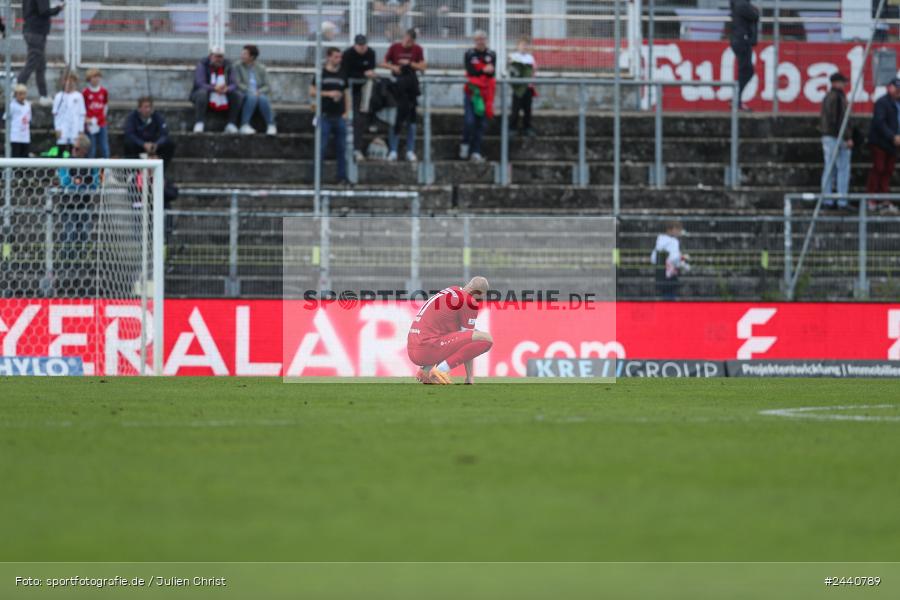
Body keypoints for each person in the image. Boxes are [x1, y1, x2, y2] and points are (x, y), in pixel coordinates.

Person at [407, 277, 493, 385]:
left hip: (413, 348)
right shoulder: (469, 301)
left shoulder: (452, 290)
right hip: (427, 349)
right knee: (486, 339)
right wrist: (469, 378)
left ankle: (425, 370)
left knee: (457, 332)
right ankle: (440, 370)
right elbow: (468, 339)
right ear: (480, 293)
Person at [382, 28, 426, 162]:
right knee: (395, 119)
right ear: (404, 37)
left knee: (411, 121)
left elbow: (423, 67)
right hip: (397, 88)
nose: (408, 44)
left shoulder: (417, 49)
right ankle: (393, 150)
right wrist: (394, 67)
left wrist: (410, 64)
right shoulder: (394, 47)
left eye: (411, 42)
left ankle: (410, 150)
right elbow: (383, 62)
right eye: (407, 40)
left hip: (411, 89)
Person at [310, 47, 350, 185]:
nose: (339, 60)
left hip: (339, 116)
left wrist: (347, 112)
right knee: (320, 148)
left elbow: (346, 93)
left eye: (340, 57)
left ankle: (342, 177)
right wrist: (328, 94)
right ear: (329, 57)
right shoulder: (321, 73)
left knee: (342, 148)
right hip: (324, 115)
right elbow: (312, 91)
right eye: (336, 57)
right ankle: (316, 178)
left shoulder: (343, 73)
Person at [57, 134, 99, 261]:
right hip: (68, 205)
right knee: (69, 234)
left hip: (85, 204)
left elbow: (95, 184)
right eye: (73, 148)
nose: (73, 151)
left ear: (84, 151)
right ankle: (67, 262)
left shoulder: (92, 164)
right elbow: (64, 182)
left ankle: (83, 262)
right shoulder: (65, 162)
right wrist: (81, 183)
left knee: (84, 235)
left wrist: (78, 183)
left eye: (76, 149)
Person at [17, 0, 64, 106]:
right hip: (37, 32)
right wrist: (58, 9)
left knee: (40, 66)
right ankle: (17, 89)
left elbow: (26, 11)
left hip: (30, 30)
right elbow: (44, 11)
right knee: (32, 64)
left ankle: (43, 95)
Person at [460, 30, 496, 163]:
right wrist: (483, 70)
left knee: (481, 123)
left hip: (485, 93)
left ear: (486, 40)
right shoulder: (469, 53)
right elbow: (471, 71)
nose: (480, 42)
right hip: (472, 91)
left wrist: (482, 71)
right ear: (474, 41)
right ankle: (465, 143)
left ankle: (476, 151)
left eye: (482, 39)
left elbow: (491, 73)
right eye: (477, 39)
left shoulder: (491, 54)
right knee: (469, 121)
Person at [819, 72, 852, 210]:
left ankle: (827, 200)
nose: (844, 85)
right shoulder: (838, 97)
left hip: (828, 136)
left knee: (829, 168)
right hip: (836, 136)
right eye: (842, 82)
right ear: (836, 83)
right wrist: (847, 137)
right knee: (842, 168)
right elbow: (839, 120)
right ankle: (841, 201)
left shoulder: (828, 96)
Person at [866, 78, 900, 212]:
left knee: (888, 171)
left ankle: (884, 199)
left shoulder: (897, 103)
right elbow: (879, 122)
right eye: (896, 88)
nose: (898, 91)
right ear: (889, 88)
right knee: (878, 169)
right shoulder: (882, 102)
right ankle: (871, 199)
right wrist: (892, 136)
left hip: (893, 145)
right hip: (881, 143)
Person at [191, 46, 242, 133]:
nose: (219, 59)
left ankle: (231, 123)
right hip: (206, 93)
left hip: (223, 92)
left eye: (220, 57)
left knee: (237, 95)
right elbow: (200, 83)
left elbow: (234, 83)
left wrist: (227, 88)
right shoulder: (202, 65)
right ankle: (199, 123)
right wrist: (214, 88)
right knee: (202, 94)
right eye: (216, 56)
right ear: (211, 56)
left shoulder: (228, 66)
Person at [342, 34, 378, 162]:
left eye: (364, 45)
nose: (362, 47)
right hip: (351, 88)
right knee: (355, 116)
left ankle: (372, 118)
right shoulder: (348, 54)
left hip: (365, 86)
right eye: (360, 45)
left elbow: (371, 69)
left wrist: (369, 74)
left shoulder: (371, 53)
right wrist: (363, 73)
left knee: (376, 91)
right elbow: (346, 72)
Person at [235, 44, 277, 135]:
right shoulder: (237, 66)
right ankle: (244, 125)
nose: (242, 55)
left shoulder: (261, 68)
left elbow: (267, 86)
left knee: (263, 98)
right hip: (244, 93)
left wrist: (259, 91)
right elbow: (237, 83)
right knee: (252, 97)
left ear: (252, 57)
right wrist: (251, 91)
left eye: (245, 54)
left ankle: (271, 125)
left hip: (258, 93)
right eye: (242, 53)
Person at [123, 96, 176, 167]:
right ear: (139, 108)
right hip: (139, 145)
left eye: (150, 107)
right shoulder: (132, 117)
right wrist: (143, 144)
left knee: (170, 144)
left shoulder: (157, 116)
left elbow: (164, 133)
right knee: (128, 143)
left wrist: (157, 144)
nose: (148, 109)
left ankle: (162, 169)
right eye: (145, 107)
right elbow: (130, 134)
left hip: (153, 145)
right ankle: (135, 169)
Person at [730, 0, 758, 112]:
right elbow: (755, 15)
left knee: (746, 71)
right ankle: (736, 101)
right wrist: (755, 10)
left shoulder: (739, 3)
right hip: (742, 41)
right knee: (746, 71)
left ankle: (736, 100)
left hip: (741, 41)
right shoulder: (742, 4)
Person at [650, 221, 690, 301]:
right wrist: (683, 259)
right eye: (678, 230)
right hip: (670, 275)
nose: (679, 232)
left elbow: (653, 259)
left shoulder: (660, 241)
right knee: (670, 296)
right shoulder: (674, 242)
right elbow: (674, 259)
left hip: (660, 274)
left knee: (666, 295)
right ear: (672, 229)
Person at [508, 37, 537, 137]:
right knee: (515, 109)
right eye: (522, 44)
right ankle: (512, 128)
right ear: (518, 46)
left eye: (526, 45)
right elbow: (512, 70)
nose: (524, 47)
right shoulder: (513, 56)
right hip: (518, 88)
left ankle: (527, 128)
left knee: (528, 109)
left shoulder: (530, 57)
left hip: (528, 87)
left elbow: (533, 70)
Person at [52, 72, 86, 154]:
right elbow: (55, 114)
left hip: (75, 128)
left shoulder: (79, 96)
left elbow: (81, 114)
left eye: (72, 81)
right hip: (62, 128)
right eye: (67, 80)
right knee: (61, 150)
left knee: (73, 150)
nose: (70, 83)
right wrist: (57, 128)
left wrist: (81, 130)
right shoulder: (59, 96)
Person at [82, 68, 110, 158]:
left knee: (104, 146)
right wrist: (87, 120)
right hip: (90, 124)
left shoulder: (104, 91)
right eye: (94, 77)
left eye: (98, 77)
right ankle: (90, 166)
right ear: (89, 79)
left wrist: (101, 117)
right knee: (91, 147)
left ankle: (107, 164)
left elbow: (105, 105)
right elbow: (83, 108)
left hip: (101, 123)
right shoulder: (85, 92)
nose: (96, 79)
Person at [8, 84, 32, 158]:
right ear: (16, 94)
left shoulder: (28, 105)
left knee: (25, 158)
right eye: (20, 94)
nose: (22, 96)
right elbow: (7, 119)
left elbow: (29, 119)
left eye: (24, 94)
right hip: (15, 137)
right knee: (16, 157)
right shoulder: (12, 105)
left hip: (25, 137)